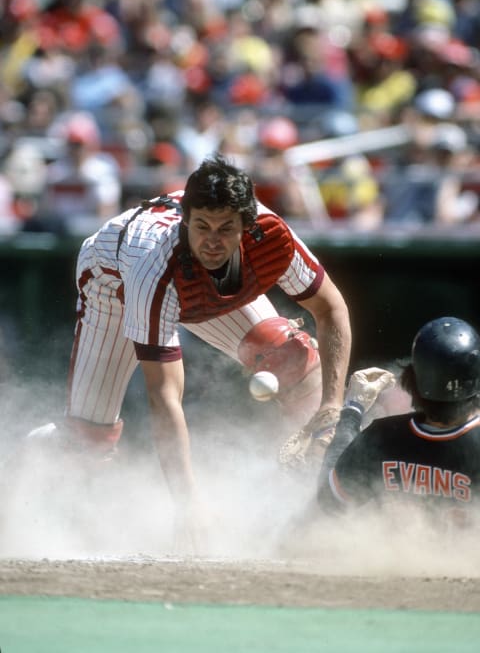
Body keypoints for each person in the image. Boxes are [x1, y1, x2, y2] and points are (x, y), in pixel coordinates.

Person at [27, 154, 352, 549]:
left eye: (225, 228)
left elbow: (331, 308)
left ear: (247, 227)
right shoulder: (154, 272)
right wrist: (188, 501)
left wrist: (331, 408)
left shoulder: (271, 235)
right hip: (113, 284)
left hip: (193, 290)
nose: (212, 241)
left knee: (290, 357)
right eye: (201, 225)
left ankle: (318, 501)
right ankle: (26, 467)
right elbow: (164, 397)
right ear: (185, 220)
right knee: (87, 442)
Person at [314, 316, 480, 529]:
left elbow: (329, 501)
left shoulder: (383, 437)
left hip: (392, 559)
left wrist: (352, 411)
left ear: (411, 378)